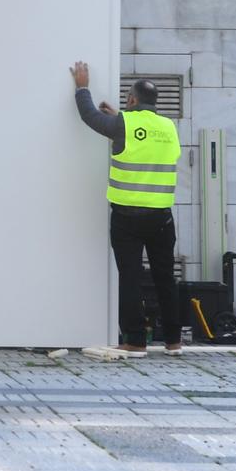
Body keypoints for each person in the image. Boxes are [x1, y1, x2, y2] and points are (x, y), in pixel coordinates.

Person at [70, 65, 184, 355]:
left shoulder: (123, 125)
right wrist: (119, 120)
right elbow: (140, 142)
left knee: (131, 277)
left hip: (128, 218)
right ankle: (173, 340)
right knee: (165, 278)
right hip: (162, 217)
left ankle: (135, 341)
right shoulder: (169, 127)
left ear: (131, 100)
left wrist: (82, 87)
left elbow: (89, 116)